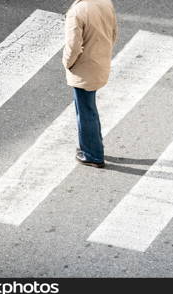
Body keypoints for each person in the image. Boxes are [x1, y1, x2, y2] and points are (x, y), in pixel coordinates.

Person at [63, 0, 118, 168]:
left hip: (84, 68)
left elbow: (73, 47)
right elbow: (114, 33)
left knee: (85, 112)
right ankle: (96, 145)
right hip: (100, 62)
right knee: (90, 108)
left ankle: (92, 154)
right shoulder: (105, 2)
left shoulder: (77, 12)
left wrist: (67, 63)